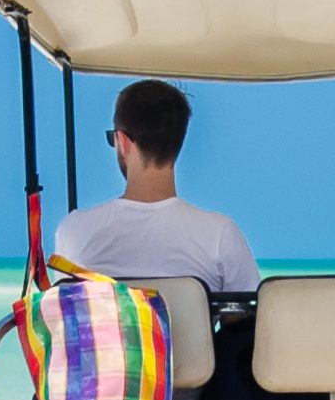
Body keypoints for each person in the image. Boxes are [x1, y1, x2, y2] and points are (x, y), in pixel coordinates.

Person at [54, 79, 260, 295]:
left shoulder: (75, 230)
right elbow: (246, 323)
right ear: (178, 140)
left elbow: (67, 315)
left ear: (123, 141)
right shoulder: (220, 235)